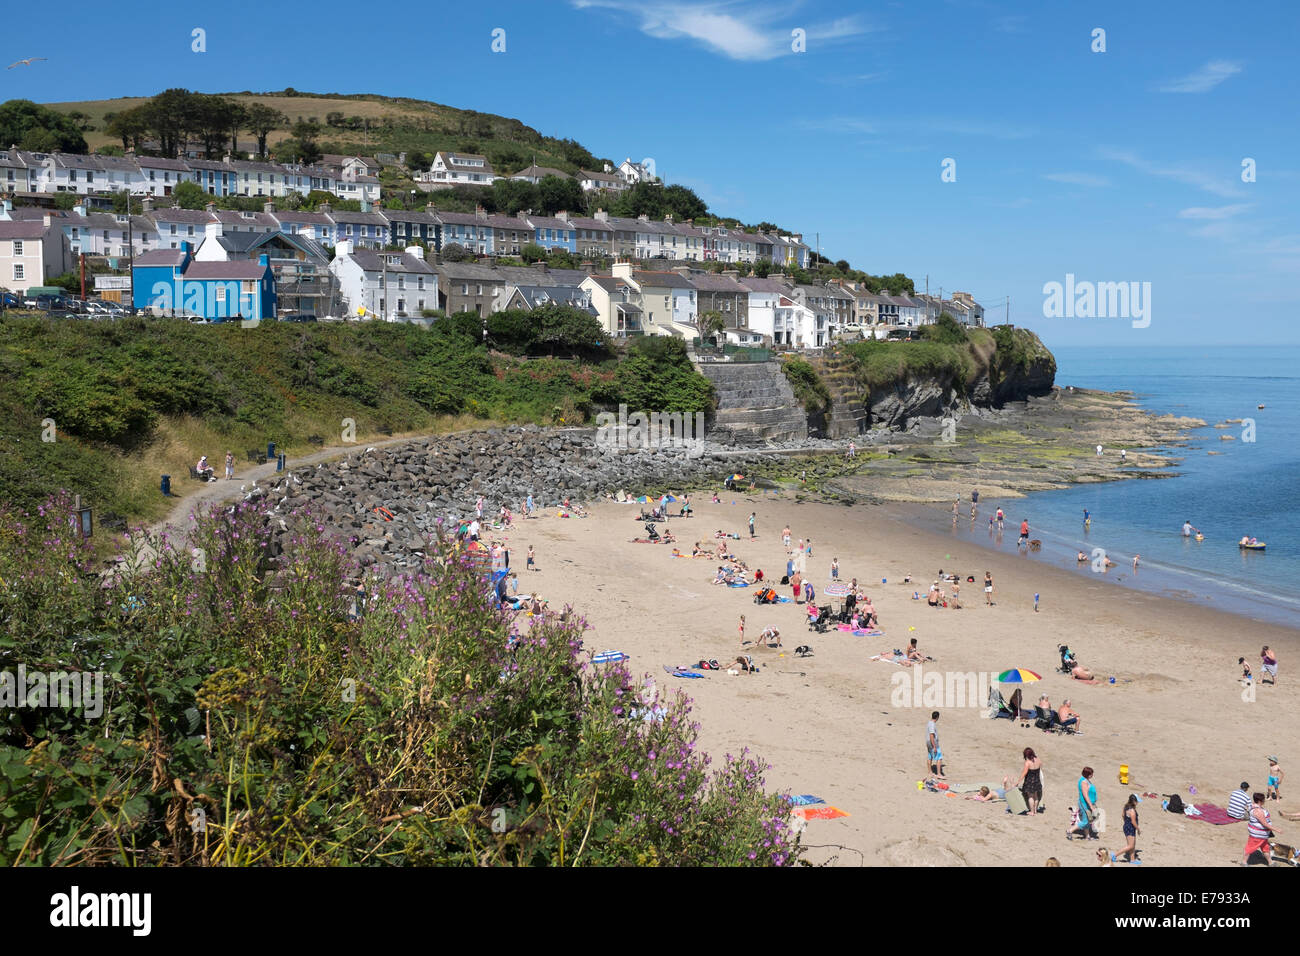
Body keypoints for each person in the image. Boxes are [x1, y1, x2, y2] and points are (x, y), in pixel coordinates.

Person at [1068, 767, 1099, 840]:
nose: (1092, 775)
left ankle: (1087, 836)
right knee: (1085, 821)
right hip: (1085, 804)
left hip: (1087, 804)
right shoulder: (1084, 782)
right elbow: (1085, 795)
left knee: (1088, 820)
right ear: (1088, 774)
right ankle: (1069, 831)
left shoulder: (1085, 780)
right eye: (1091, 774)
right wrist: (1091, 806)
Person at [1244, 793, 1273, 865]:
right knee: (1249, 848)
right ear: (1260, 801)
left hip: (1262, 835)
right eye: (1263, 800)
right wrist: (1276, 829)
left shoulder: (1253, 807)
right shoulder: (1258, 811)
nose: (1264, 801)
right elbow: (1264, 823)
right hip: (1257, 834)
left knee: (1265, 848)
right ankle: (1243, 862)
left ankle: (1270, 862)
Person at [1016, 747, 1043, 816]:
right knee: (1036, 796)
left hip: (1030, 781)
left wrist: (1018, 781)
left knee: (1030, 796)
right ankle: (1035, 810)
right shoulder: (1038, 760)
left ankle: (1032, 811)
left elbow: (1024, 773)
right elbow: (1040, 770)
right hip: (1037, 780)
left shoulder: (1027, 763)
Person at [926, 712, 944, 778]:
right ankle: (939, 774)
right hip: (933, 743)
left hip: (928, 742)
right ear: (937, 717)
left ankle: (930, 772)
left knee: (930, 756)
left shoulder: (929, 723)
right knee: (939, 758)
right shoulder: (932, 725)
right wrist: (934, 746)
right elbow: (931, 735)